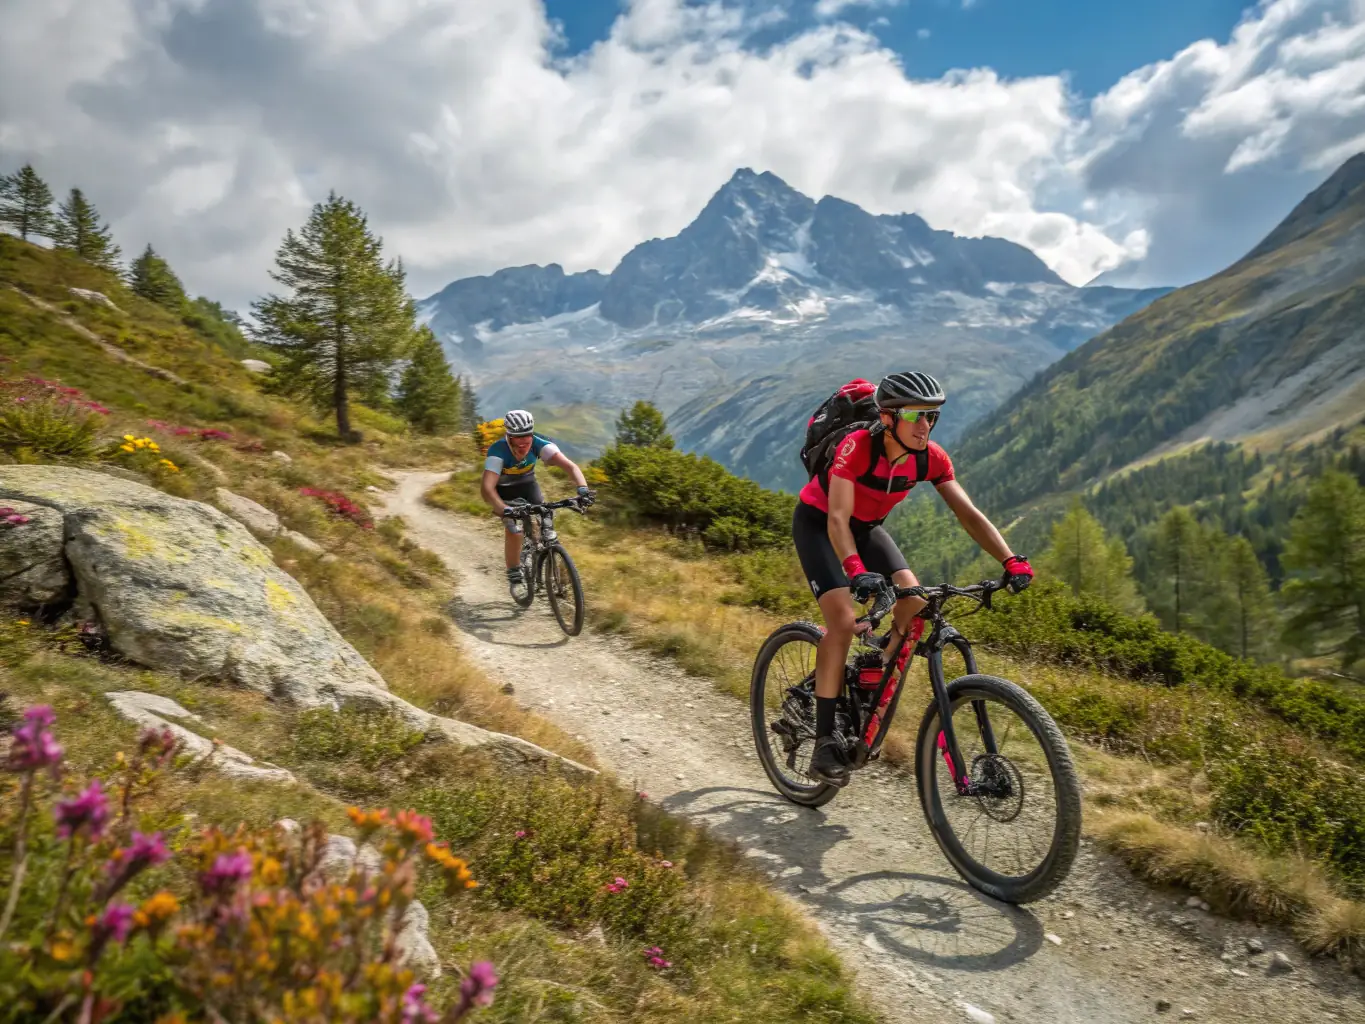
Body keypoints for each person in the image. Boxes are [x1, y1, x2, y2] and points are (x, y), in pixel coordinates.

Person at [792, 371, 1034, 787]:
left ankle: (873, 671)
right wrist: (855, 571)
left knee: (914, 600)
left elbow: (968, 514)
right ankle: (825, 743)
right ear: (888, 418)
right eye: (917, 416)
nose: (926, 426)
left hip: (866, 528)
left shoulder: (931, 457)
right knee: (843, 621)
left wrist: (1010, 559)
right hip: (819, 524)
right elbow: (836, 518)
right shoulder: (857, 447)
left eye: (933, 416)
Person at [481, 409, 594, 585]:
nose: (523, 441)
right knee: (514, 529)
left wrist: (583, 490)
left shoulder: (540, 444)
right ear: (508, 436)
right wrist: (504, 510)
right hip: (503, 491)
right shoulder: (498, 451)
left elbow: (571, 467)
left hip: (528, 486)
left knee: (546, 516)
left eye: (527, 435)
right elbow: (487, 488)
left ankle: (548, 557)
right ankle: (514, 573)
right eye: (518, 437)